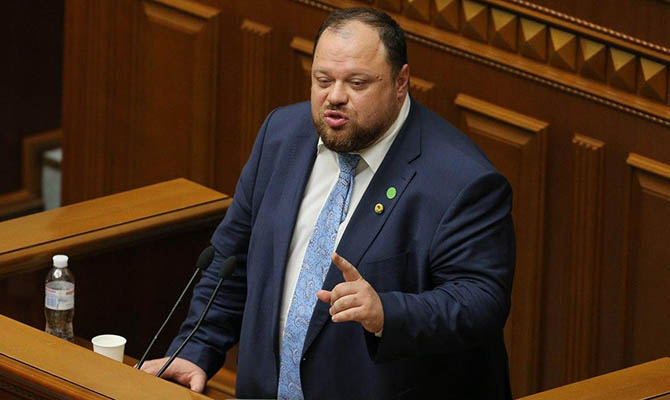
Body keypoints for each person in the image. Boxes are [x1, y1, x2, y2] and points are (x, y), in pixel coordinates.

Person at [141, 7, 515, 399]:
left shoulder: (462, 181)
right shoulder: (281, 136)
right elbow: (230, 262)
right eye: (323, 80)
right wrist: (197, 349)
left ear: (400, 82)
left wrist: (387, 313)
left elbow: (480, 302)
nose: (335, 97)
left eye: (357, 83)